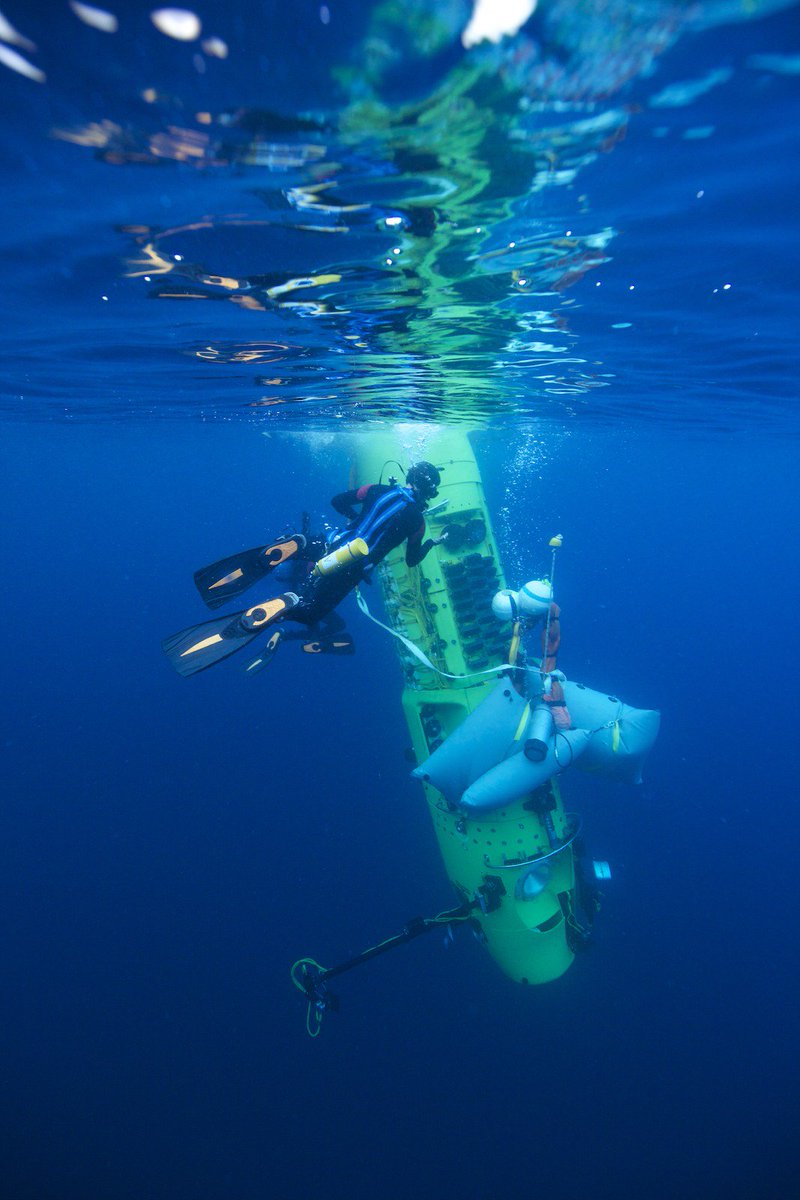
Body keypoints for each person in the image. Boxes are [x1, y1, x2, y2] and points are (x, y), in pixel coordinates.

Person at [163, 462, 448, 677]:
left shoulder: (376, 490)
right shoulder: (418, 522)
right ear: (430, 491)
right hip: (349, 567)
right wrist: (432, 543)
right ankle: (288, 603)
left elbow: (338, 501)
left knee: (313, 543)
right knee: (313, 613)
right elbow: (412, 560)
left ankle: (298, 544)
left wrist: (354, 520)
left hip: (331, 543)